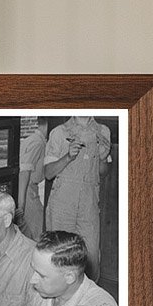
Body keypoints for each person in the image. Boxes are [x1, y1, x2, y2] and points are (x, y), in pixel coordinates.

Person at [44, 115, 111, 279]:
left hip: (89, 205)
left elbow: (103, 172)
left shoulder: (103, 131)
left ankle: (87, 301)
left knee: (91, 257)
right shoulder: (59, 133)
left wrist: (103, 158)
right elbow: (48, 173)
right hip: (62, 204)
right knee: (59, 255)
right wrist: (68, 157)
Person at [16, 117, 48, 241]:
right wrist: (21, 205)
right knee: (40, 233)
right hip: (27, 192)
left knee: (28, 235)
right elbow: (24, 172)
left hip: (30, 190)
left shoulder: (34, 140)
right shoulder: (37, 143)